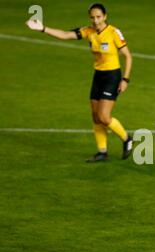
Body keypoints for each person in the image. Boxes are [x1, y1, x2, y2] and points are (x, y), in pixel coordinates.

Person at [26, 3, 133, 162]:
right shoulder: (88, 31)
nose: (95, 20)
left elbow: (128, 56)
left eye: (98, 17)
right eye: (92, 17)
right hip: (98, 76)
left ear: (105, 16)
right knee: (95, 116)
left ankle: (126, 139)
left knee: (104, 117)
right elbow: (65, 35)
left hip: (112, 76)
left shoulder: (113, 32)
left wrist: (125, 79)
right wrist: (42, 28)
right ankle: (102, 152)